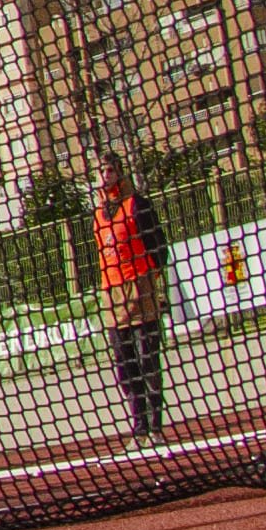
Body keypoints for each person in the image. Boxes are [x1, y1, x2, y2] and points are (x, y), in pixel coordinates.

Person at [95, 156, 168, 441]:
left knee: (148, 359)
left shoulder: (137, 204)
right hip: (113, 295)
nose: (105, 175)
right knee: (126, 367)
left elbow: (158, 244)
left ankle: (155, 428)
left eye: (110, 170)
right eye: (101, 171)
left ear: (120, 173)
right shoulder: (98, 213)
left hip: (140, 288)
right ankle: (139, 428)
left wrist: (153, 281)